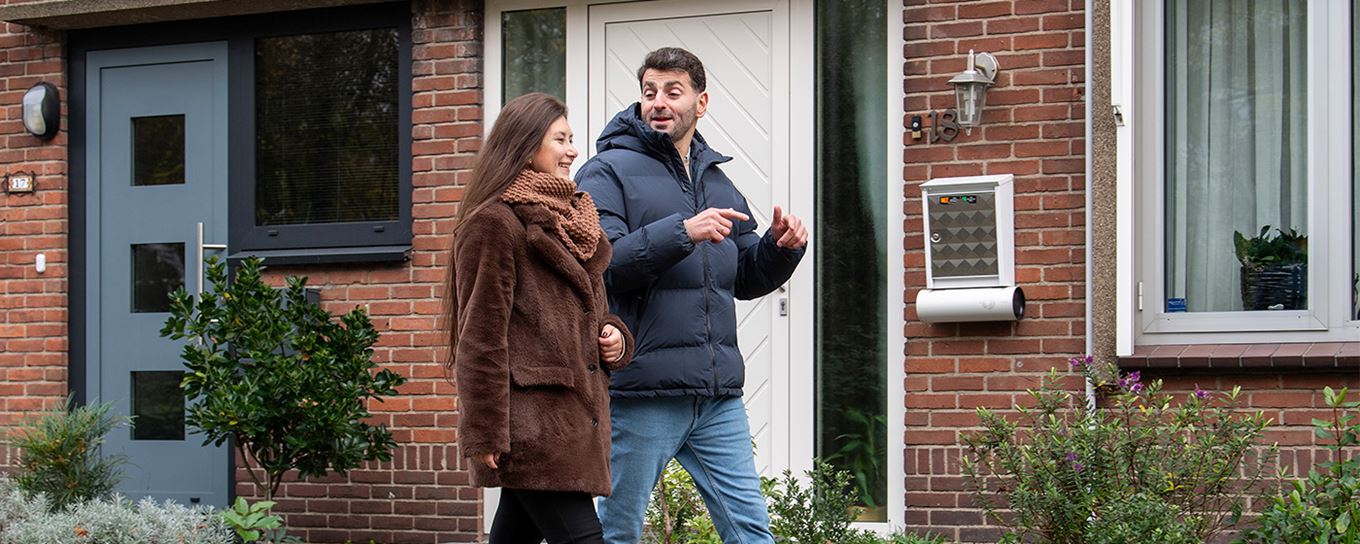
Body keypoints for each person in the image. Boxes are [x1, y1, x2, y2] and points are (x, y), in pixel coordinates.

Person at [575, 48, 809, 544]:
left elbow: (744, 277)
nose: (659, 102)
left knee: (750, 529)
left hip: (716, 395)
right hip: (643, 393)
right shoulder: (605, 172)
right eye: (649, 92)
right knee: (618, 532)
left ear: (701, 103)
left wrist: (782, 248)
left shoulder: (716, 181)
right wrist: (683, 231)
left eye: (672, 92)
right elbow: (605, 263)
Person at [445, 92, 634, 544]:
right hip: (533, 427)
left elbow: (590, 312)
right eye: (560, 139)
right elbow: (481, 338)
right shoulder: (495, 223)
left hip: (574, 418)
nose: (573, 150)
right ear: (526, 145)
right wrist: (485, 429)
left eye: (572, 139)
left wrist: (615, 338)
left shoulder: (576, 222)